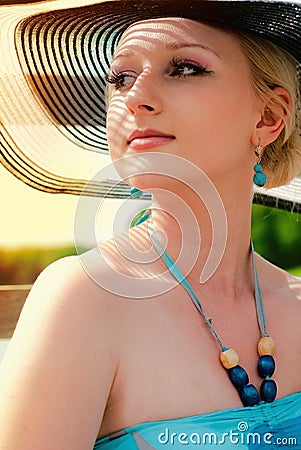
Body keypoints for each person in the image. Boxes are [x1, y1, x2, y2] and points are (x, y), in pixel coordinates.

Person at [0, 0, 301, 449]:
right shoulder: (83, 300)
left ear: (269, 117)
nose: (134, 98)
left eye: (184, 68)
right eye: (120, 78)